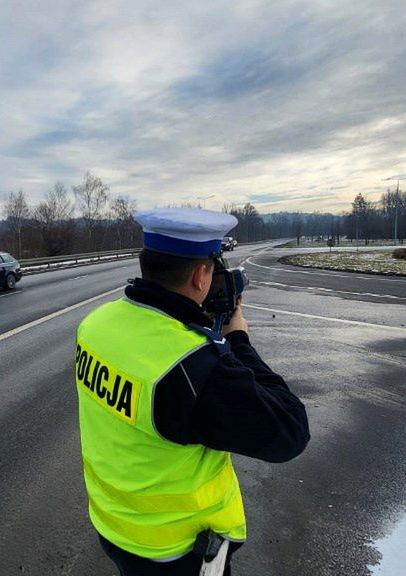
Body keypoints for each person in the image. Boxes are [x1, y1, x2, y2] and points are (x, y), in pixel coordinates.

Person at [75, 207, 310, 575]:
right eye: (213, 271)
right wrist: (238, 340)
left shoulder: (95, 325)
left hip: (114, 528)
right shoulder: (194, 367)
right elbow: (290, 431)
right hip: (177, 552)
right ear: (201, 276)